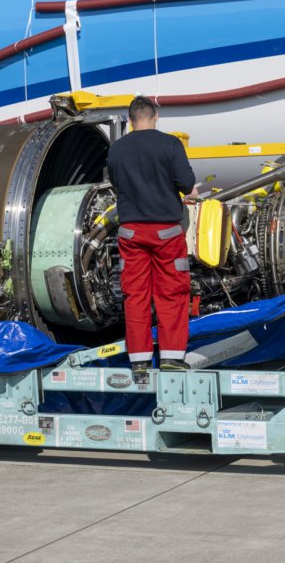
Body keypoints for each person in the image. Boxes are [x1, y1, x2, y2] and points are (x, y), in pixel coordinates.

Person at [106, 96, 198, 375]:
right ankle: (171, 357)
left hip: (131, 233)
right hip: (166, 233)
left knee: (135, 296)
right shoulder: (170, 144)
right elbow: (187, 184)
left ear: (130, 120)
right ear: (155, 115)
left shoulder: (117, 149)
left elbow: (116, 182)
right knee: (171, 293)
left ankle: (140, 361)